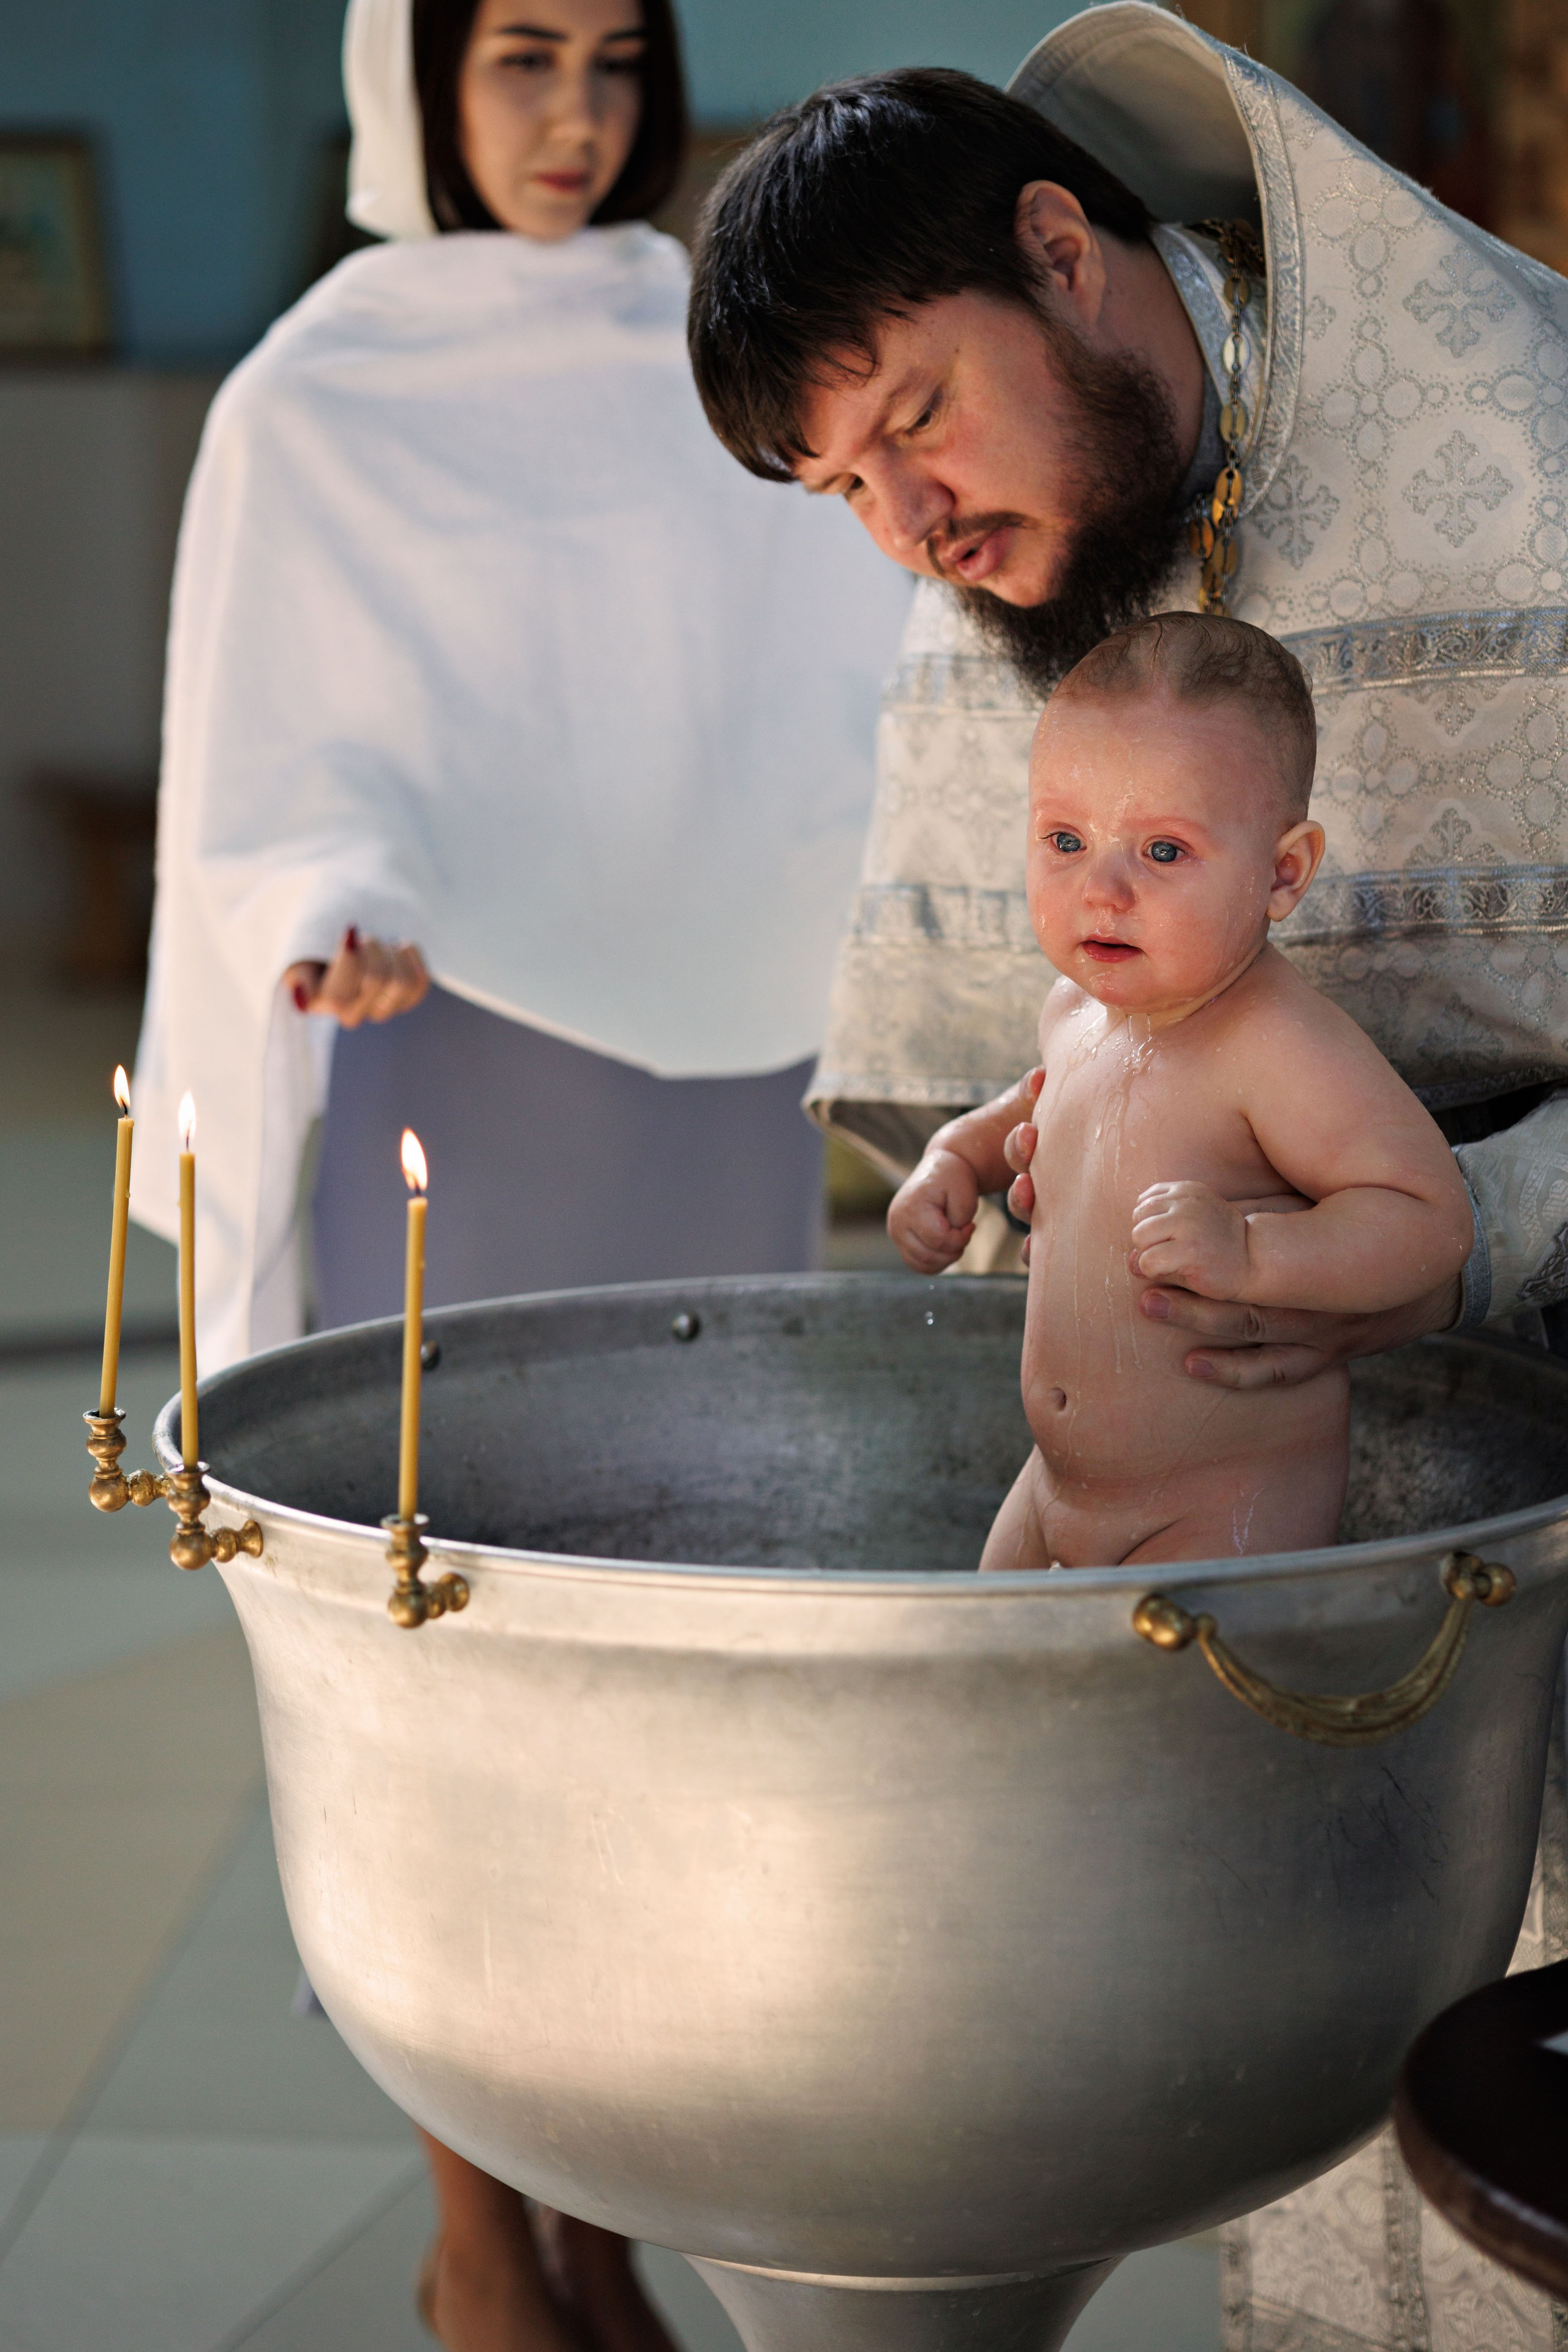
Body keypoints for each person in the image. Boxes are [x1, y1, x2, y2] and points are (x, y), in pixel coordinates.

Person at [687, 10, 1568, 2345]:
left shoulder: (1535, 447)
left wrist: (1437, 1237)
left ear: (1064, 250)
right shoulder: (1011, 561)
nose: (908, 527)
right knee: (1311, 2127)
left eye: (917, 426)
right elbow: (1015, 1062)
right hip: (1240, 1518)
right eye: (840, 494)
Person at [128, 1, 907, 2347]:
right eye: (518, 61)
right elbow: (270, 767)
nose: (569, 119)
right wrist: (327, 904)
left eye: (606, 61)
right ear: (420, 88)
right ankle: (482, 2216)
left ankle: (608, 2200)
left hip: (694, 1091)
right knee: (449, 1634)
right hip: (439, 1091)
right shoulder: (315, 397)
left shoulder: (714, 359)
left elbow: (827, 665)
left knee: (674, 1620)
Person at [889, 611, 1473, 1567]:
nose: (1102, 892)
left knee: (1184, 1716)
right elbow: (1032, 1109)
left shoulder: (1276, 1044)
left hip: (1219, 1506)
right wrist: (955, 1156)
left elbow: (1428, 1215)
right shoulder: (1076, 1008)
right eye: (1065, 839)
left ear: (1283, 874)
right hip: (1051, 1485)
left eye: (1162, 851)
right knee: (993, 1694)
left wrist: (1256, 1251)